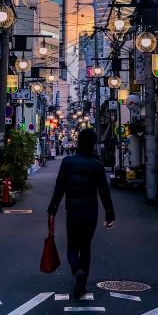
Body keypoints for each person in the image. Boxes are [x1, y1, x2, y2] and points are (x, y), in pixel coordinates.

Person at [47, 128, 115, 299]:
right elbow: (104, 191)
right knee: (85, 247)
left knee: (72, 247)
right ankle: (82, 282)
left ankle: (77, 271)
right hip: (91, 212)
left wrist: (52, 210)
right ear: (92, 144)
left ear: (78, 143)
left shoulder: (68, 163)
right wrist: (110, 214)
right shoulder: (97, 165)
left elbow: (59, 187)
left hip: (73, 211)